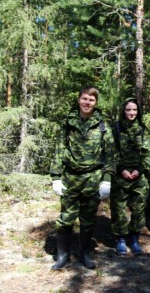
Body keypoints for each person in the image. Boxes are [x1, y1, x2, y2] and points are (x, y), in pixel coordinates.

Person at [50, 87, 117, 270]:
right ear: (79, 99)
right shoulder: (68, 122)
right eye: (85, 99)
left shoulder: (102, 125)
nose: (87, 103)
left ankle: (85, 254)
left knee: (88, 219)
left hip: (93, 178)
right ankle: (63, 256)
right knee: (66, 218)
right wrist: (56, 177)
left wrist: (107, 180)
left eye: (91, 100)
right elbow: (59, 149)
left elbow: (110, 153)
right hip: (70, 178)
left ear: (96, 103)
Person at [110, 97, 150, 255]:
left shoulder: (143, 130)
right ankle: (121, 239)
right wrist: (121, 169)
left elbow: (149, 153)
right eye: (128, 109)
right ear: (123, 110)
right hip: (119, 175)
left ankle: (134, 239)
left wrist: (139, 170)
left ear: (138, 111)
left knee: (138, 208)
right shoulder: (115, 128)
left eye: (134, 110)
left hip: (138, 176)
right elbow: (110, 151)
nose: (131, 113)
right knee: (118, 209)